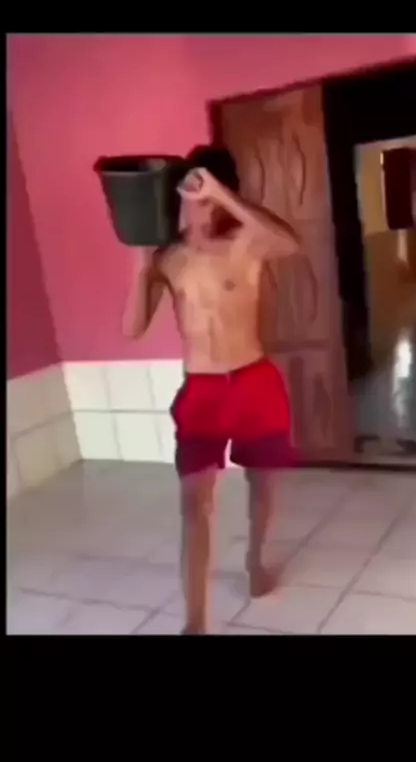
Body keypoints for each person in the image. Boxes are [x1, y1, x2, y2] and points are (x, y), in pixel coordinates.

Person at [122, 145, 300, 634]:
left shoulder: (246, 244)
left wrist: (222, 193)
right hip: (201, 390)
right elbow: (132, 329)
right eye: (188, 195)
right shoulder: (169, 258)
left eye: (204, 196)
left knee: (264, 486)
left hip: (254, 381)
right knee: (194, 506)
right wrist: (140, 265)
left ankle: (256, 561)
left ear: (222, 196)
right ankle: (196, 622)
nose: (193, 208)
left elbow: (288, 243)